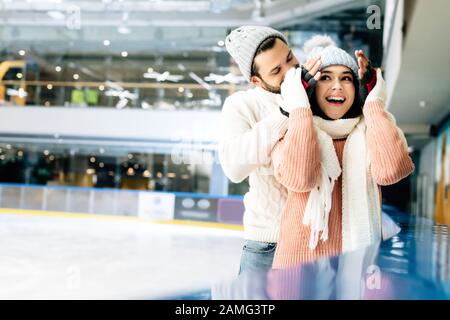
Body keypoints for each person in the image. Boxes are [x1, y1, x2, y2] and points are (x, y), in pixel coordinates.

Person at [271, 35, 415, 269]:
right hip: (297, 270)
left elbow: (391, 172)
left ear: (356, 89)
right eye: (325, 77)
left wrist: (374, 102)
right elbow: (300, 179)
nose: (336, 86)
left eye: (346, 78)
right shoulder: (291, 128)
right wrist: (299, 107)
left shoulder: (374, 128)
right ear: (311, 88)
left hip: (358, 269)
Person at [219, 26, 321, 273]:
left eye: (290, 59)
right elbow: (233, 167)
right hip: (267, 243)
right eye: (276, 71)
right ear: (256, 80)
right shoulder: (242, 105)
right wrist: (287, 110)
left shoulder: (315, 90)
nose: (291, 71)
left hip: (318, 241)